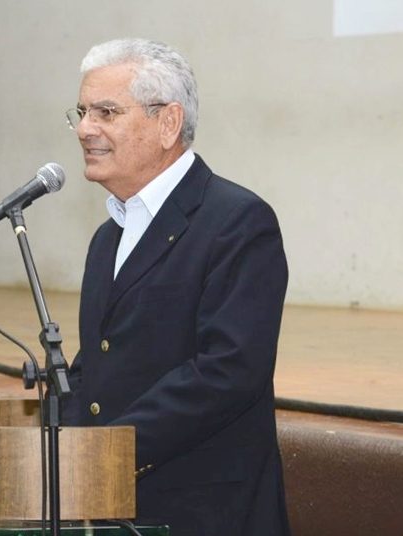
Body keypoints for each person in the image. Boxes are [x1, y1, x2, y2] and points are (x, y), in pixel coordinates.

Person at [62, 38, 290, 536]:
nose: (84, 129)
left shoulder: (237, 222)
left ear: (168, 123)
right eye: (81, 113)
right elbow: (99, 361)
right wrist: (64, 448)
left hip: (205, 513)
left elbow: (228, 370)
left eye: (105, 112)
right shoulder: (108, 236)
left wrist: (109, 451)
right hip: (113, 506)